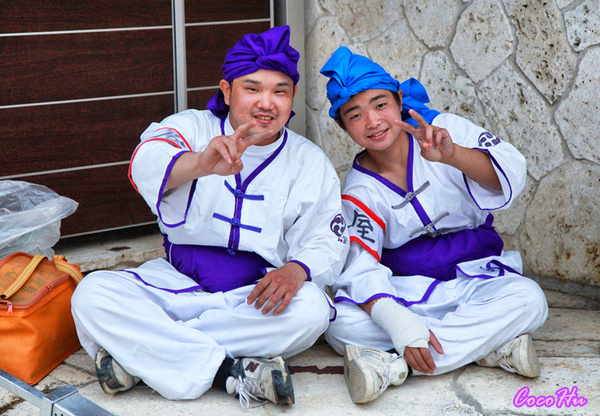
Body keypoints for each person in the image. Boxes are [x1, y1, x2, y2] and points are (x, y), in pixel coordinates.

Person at [71, 26, 349, 408]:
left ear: (292, 97)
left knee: (313, 310)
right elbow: (145, 162)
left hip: (253, 297)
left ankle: (144, 353)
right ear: (226, 90)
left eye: (279, 91)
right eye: (252, 88)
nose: (267, 103)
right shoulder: (192, 127)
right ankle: (229, 372)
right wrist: (200, 163)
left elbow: (326, 238)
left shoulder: (309, 161)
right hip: (175, 284)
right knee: (91, 294)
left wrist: (296, 270)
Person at [319, 46, 548, 404]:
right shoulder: (359, 188)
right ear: (343, 126)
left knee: (529, 300)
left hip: (475, 277)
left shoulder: (444, 128)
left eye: (380, 105)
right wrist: (400, 323)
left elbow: (509, 174)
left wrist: (452, 155)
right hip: (411, 291)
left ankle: (395, 369)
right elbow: (360, 264)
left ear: (398, 101)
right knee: (339, 323)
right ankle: (488, 348)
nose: (373, 121)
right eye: (355, 115)